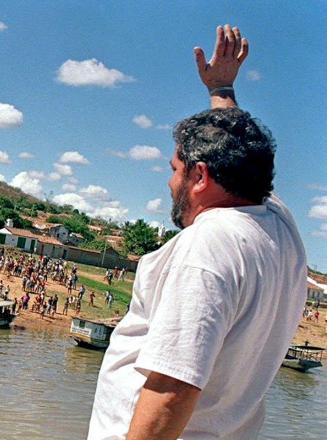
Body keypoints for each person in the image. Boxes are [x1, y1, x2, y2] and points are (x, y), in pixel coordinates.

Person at [88, 25, 306, 439]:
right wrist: (221, 87)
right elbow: (243, 152)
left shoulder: (207, 247)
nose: (170, 182)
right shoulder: (278, 225)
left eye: (175, 169)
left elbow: (173, 387)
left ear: (200, 175)